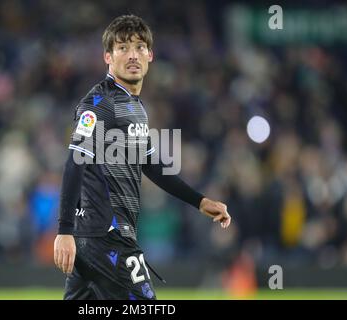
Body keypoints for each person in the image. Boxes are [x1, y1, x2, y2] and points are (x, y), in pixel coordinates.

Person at [54, 14, 231, 300]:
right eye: (122, 48)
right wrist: (64, 230)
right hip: (106, 237)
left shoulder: (135, 108)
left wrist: (199, 201)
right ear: (108, 58)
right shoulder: (99, 103)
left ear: (150, 55)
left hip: (94, 239)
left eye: (139, 47)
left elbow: (151, 166)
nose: (132, 55)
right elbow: (76, 160)